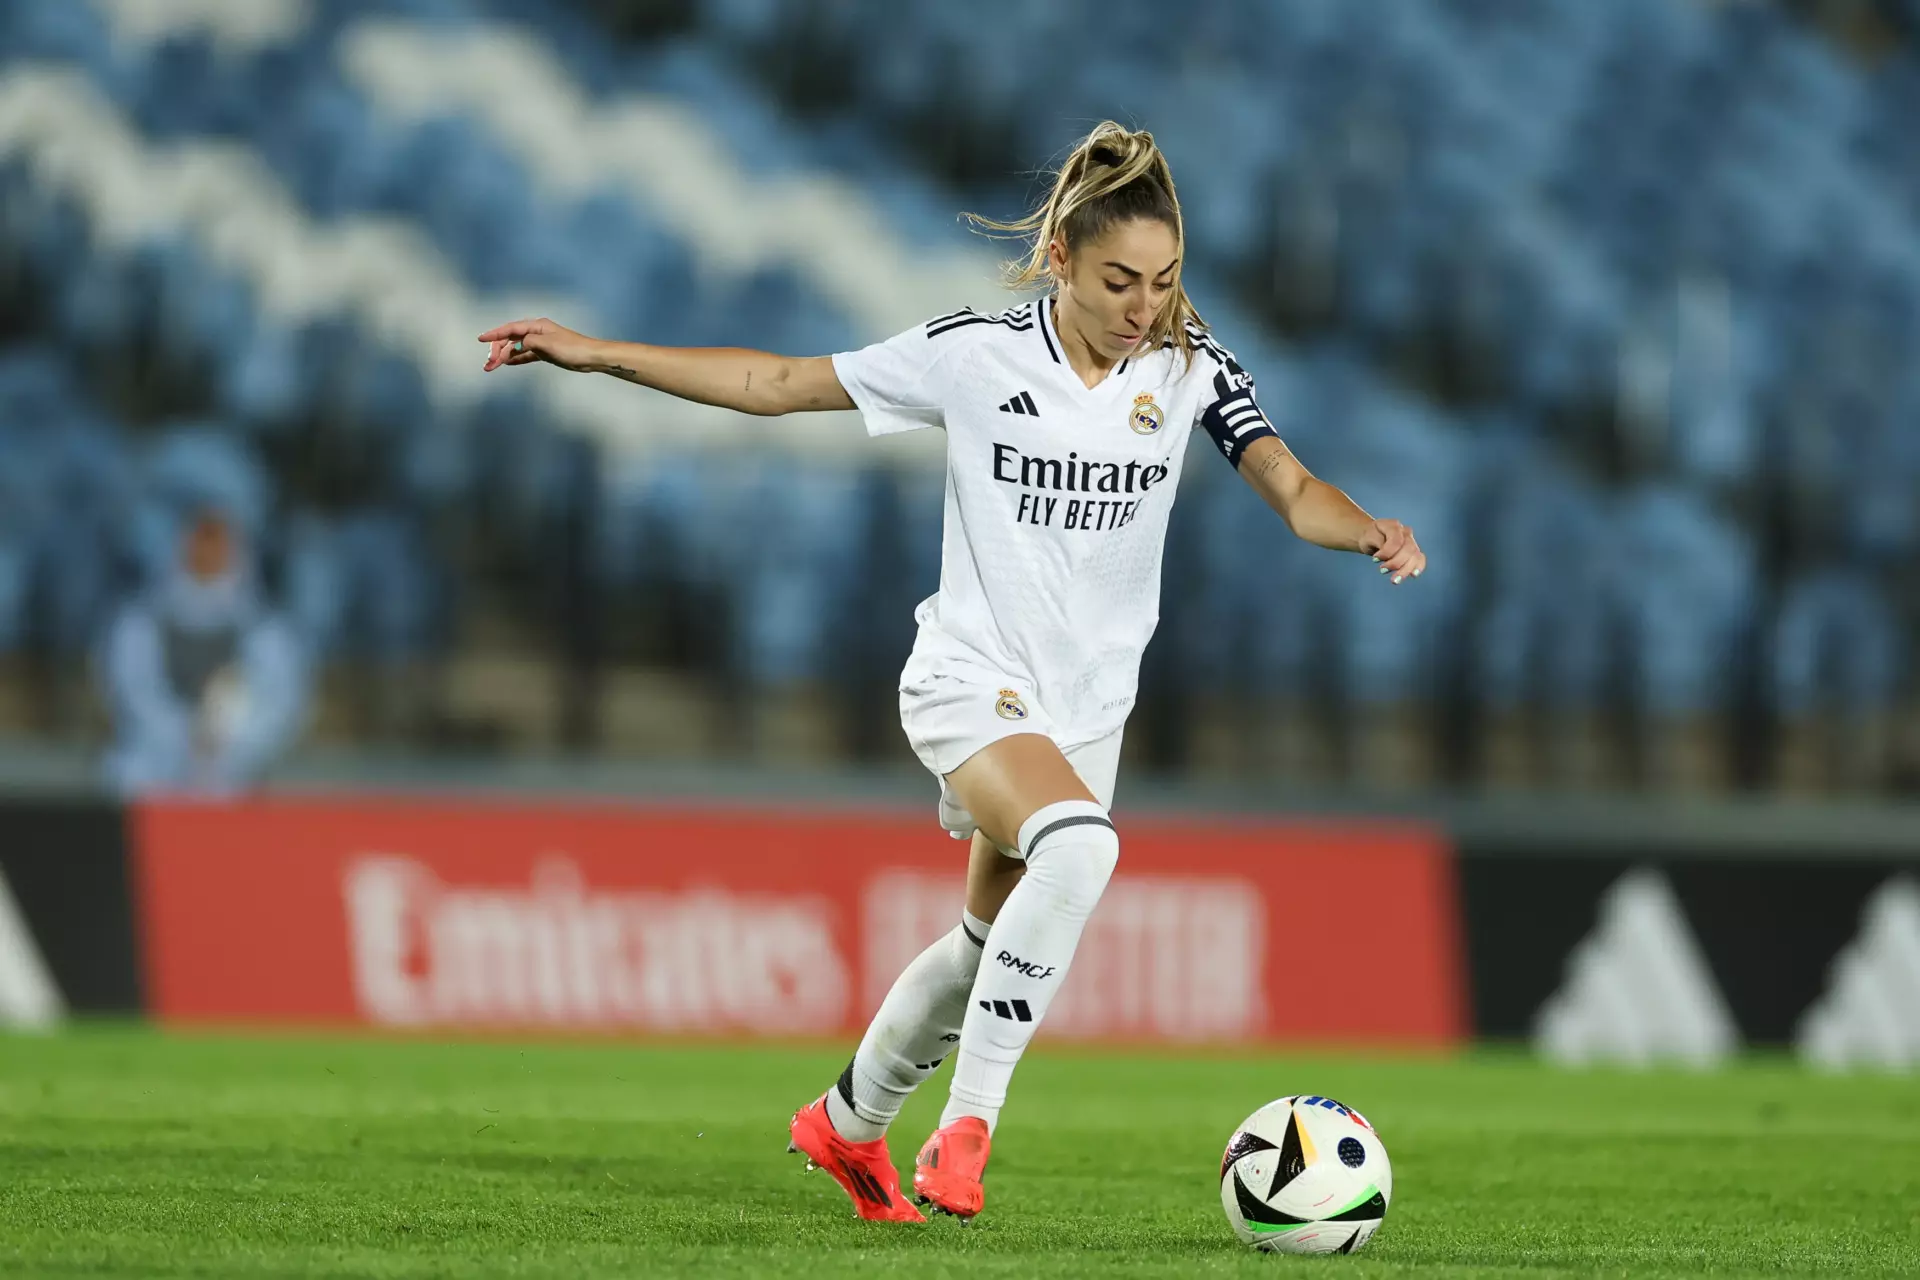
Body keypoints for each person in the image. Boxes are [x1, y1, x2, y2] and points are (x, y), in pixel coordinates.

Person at [477, 121, 1425, 1223]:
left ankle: (845, 1119)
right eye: (1120, 279)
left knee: (986, 949)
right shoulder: (973, 352)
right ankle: (964, 1128)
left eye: (1164, 282)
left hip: (1087, 707)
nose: (1143, 307)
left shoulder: (1192, 369)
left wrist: (1370, 530)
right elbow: (779, 380)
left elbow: (1298, 491)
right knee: (1082, 850)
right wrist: (599, 352)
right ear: (1061, 261)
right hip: (970, 679)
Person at [100, 506, 309, 797]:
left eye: (218, 543)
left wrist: (224, 739)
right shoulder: (142, 619)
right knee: (127, 774)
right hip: (158, 756)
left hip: (237, 760)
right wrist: (185, 735)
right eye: (200, 540)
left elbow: (280, 702)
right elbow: (133, 692)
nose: (207, 552)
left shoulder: (263, 627)